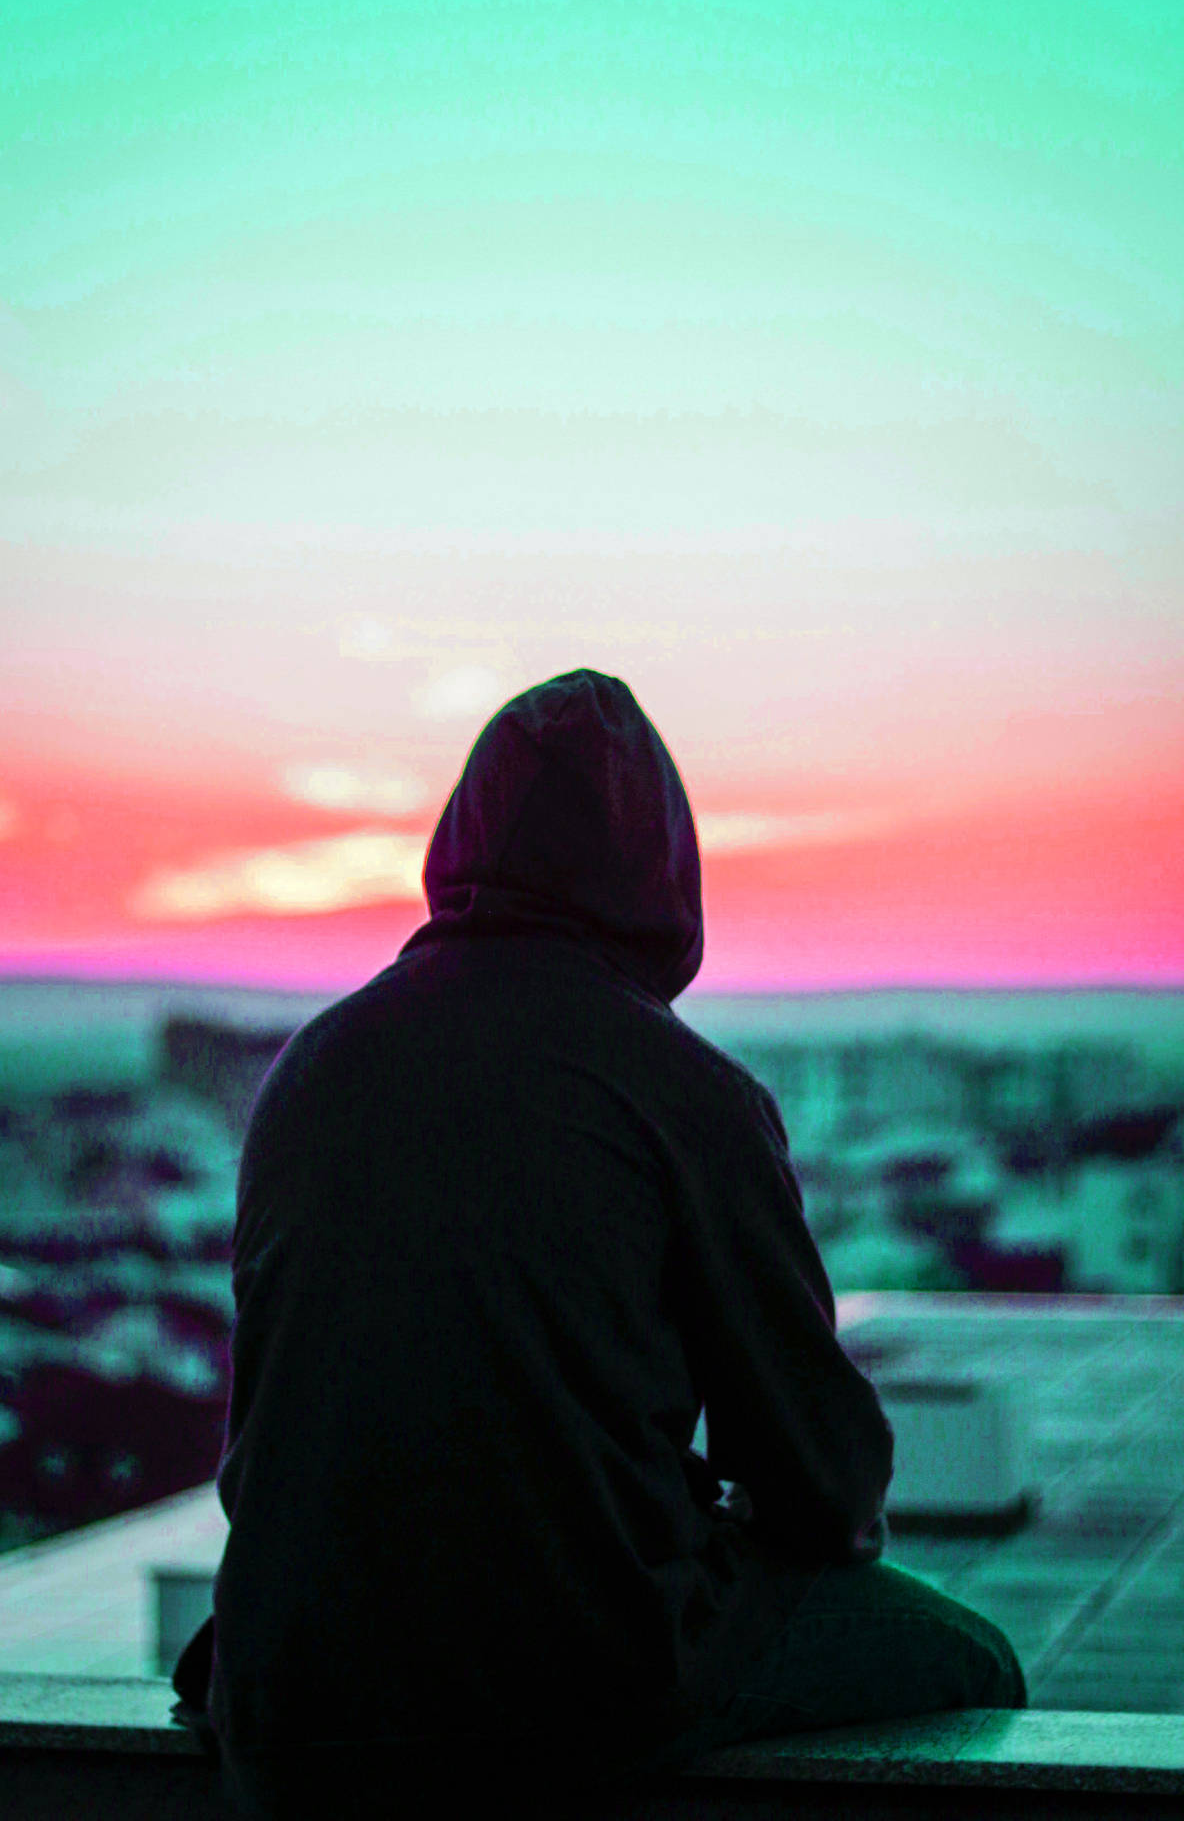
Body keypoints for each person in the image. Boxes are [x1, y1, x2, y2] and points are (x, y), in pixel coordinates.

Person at [172, 667, 1025, 1818]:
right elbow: (817, 1476)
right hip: (563, 1696)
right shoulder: (682, 1093)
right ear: (663, 872)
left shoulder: (309, 1069)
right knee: (972, 1667)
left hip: (286, 1694)